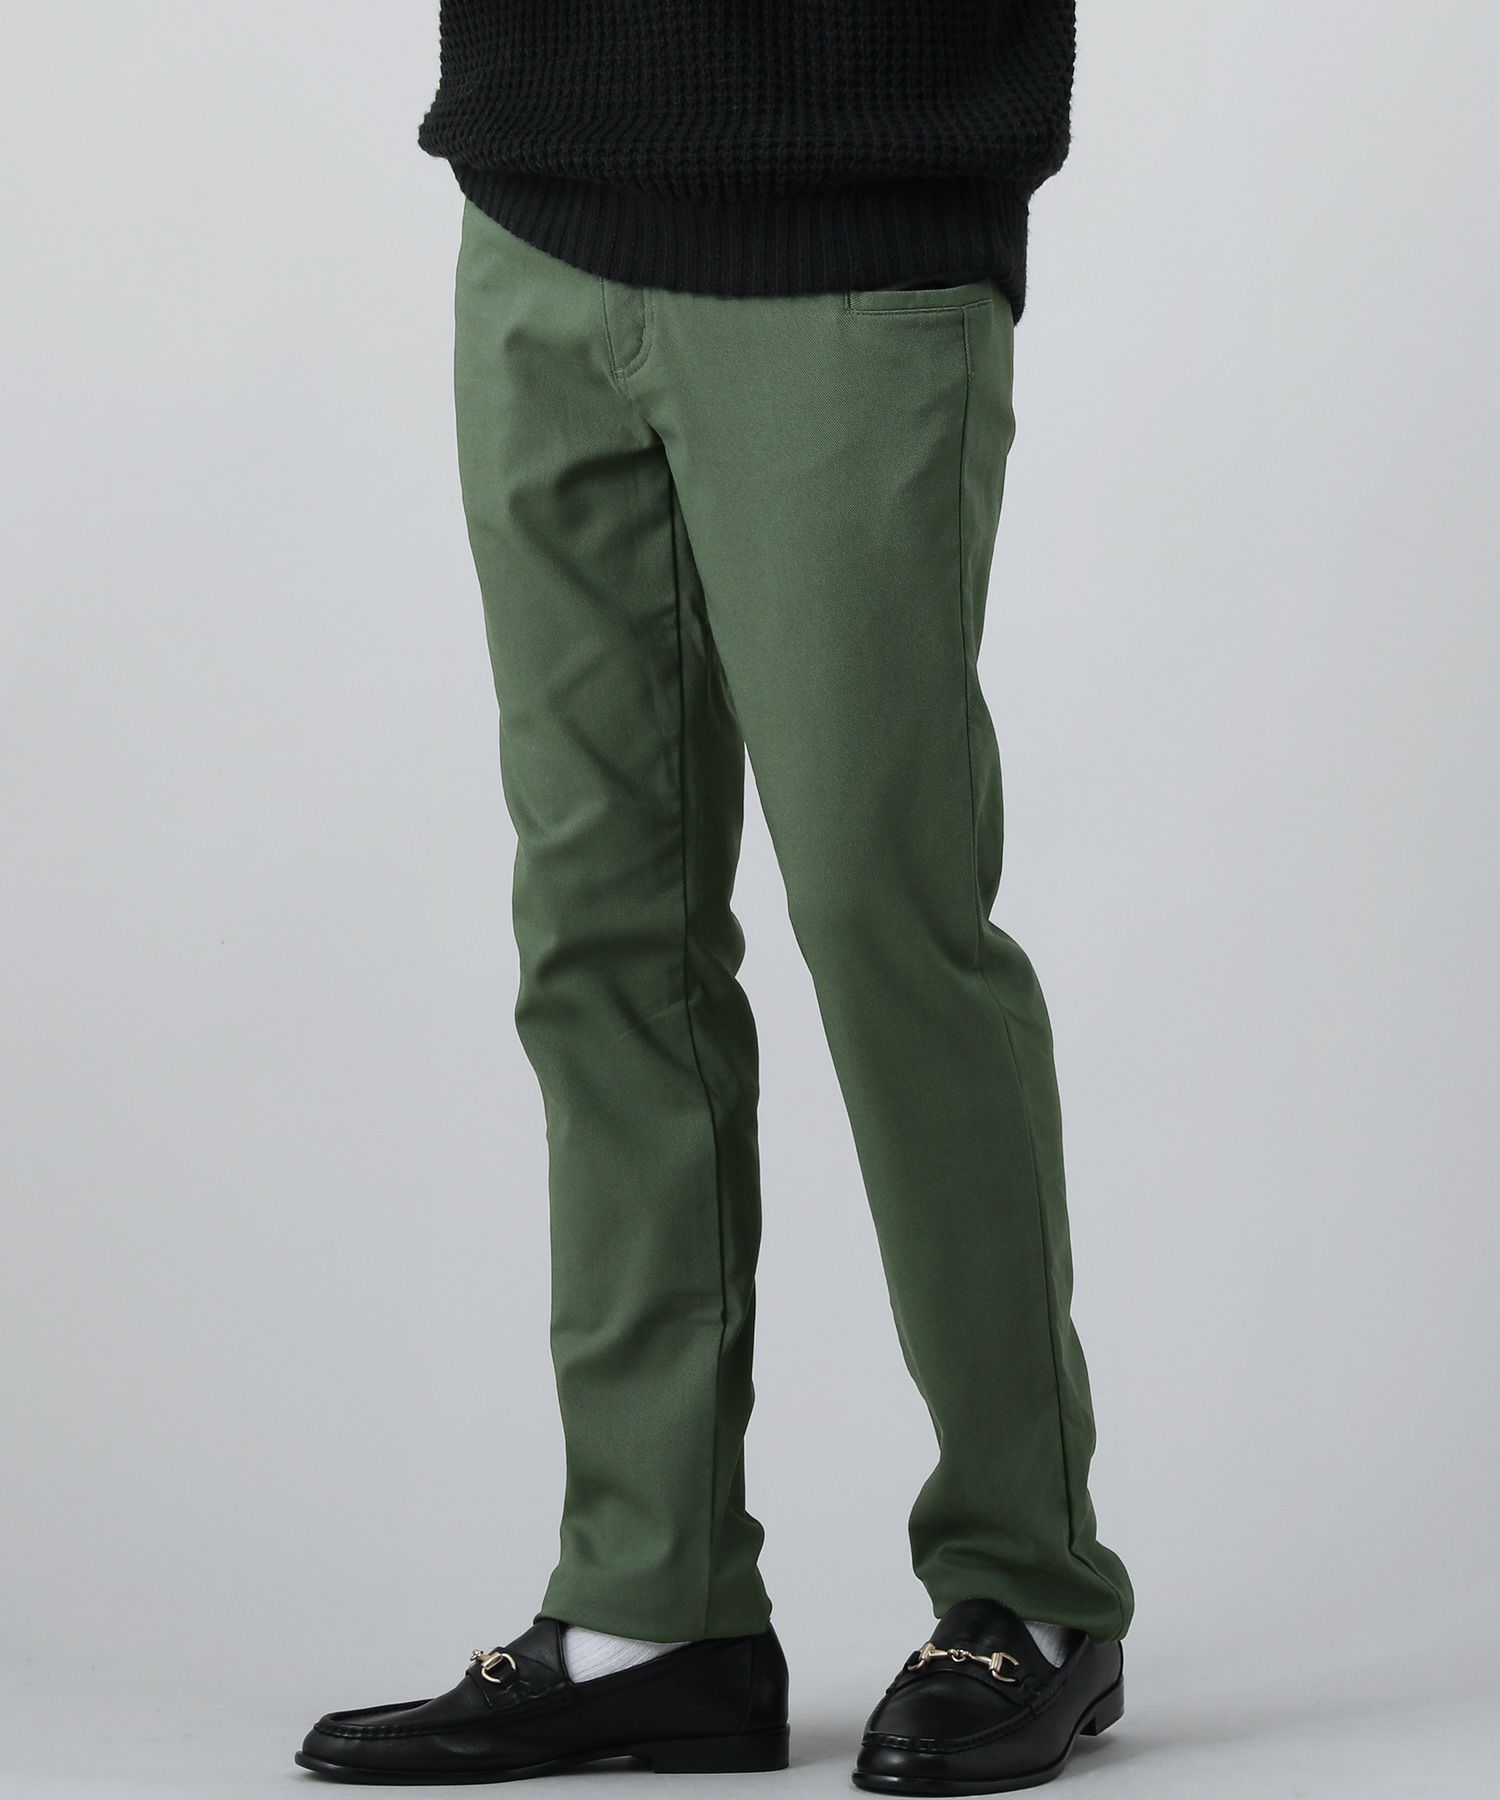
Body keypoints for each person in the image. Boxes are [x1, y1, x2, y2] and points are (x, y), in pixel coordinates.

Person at [295, 3, 1132, 1791]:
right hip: (538, 205)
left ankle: (1031, 1584)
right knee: (596, 937)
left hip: (854, 210)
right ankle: (649, 1605)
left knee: (885, 920)